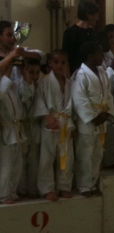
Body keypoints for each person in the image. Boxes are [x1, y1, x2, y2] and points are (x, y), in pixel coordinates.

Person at [71, 41, 114, 197]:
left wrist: (108, 112)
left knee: (97, 154)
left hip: (101, 118)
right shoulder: (79, 75)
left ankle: (93, 182)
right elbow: (79, 100)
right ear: (90, 56)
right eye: (99, 53)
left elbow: (108, 95)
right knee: (85, 154)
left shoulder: (102, 72)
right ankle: (84, 186)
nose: (102, 56)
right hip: (87, 122)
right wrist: (93, 118)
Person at [33, 50, 75, 201]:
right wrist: (48, 117)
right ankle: (47, 188)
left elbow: (73, 106)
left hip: (66, 123)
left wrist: (73, 125)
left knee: (66, 157)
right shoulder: (44, 82)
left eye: (63, 62)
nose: (59, 65)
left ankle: (64, 186)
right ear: (50, 63)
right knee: (47, 157)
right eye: (56, 62)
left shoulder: (70, 83)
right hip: (51, 122)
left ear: (67, 64)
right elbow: (39, 101)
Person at [0, 57, 32, 204]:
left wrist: (24, 74)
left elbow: (26, 96)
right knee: (5, 164)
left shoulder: (11, 85)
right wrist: (5, 76)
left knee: (17, 163)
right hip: (5, 129)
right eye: (7, 67)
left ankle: (12, 191)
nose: (10, 70)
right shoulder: (3, 85)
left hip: (16, 128)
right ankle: (3, 194)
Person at [18, 58, 43, 199]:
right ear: (23, 70)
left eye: (37, 72)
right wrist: (27, 80)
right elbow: (24, 96)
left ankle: (32, 189)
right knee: (21, 161)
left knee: (34, 160)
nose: (34, 76)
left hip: (34, 127)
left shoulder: (41, 85)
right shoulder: (17, 85)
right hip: (22, 127)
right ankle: (21, 190)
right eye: (30, 72)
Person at [62, 0, 99, 75]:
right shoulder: (70, 32)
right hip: (74, 72)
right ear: (89, 15)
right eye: (96, 15)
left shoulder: (93, 33)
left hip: (90, 72)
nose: (98, 18)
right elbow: (65, 55)